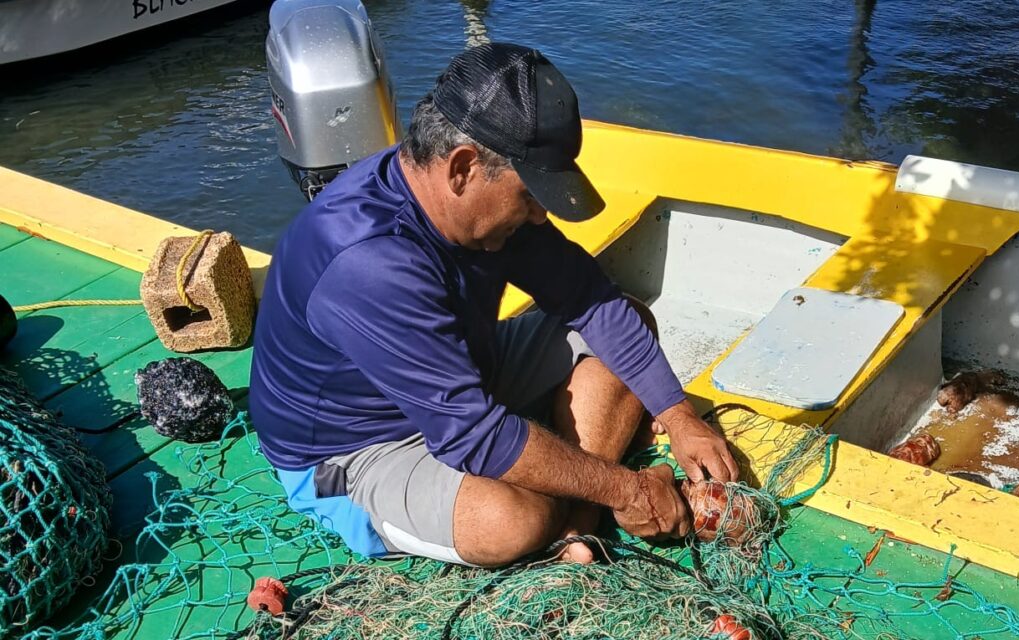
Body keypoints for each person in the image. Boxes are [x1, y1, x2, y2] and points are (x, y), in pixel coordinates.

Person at [249, 43, 739, 567]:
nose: (539, 216)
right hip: (359, 447)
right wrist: (627, 489)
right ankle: (575, 510)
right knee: (509, 521)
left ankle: (576, 522)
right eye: (530, 195)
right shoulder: (367, 262)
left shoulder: (479, 207)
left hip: (463, 372)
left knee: (626, 323)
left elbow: (588, 299)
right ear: (462, 168)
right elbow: (473, 435)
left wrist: (677, 414)